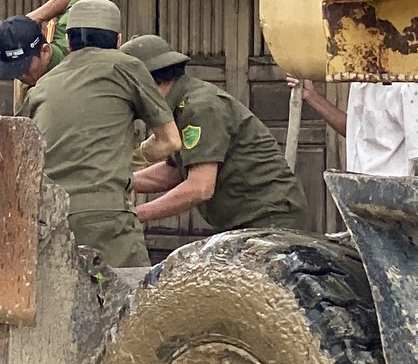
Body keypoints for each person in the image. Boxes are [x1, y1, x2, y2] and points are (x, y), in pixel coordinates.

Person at [23, 0, 179, 269]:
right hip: (107, 219)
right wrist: (130, 158)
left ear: (69, 44)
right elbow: (170, 141)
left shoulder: (44, 83)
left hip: (48, 220)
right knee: (130, 303)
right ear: (118, 41)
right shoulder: (126, 66)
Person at [125, 35, 311, 245]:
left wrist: (134, 215)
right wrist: (124, 182)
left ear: (144, 85)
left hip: (270, 220)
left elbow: (200, 186)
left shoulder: (201, 106)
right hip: (248, 222)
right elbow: (174, 172)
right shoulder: (178, 107)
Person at [299, 79, 418, 177]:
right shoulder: (359, 82)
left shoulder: (409, 86)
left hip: (396, 199)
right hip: (358, 192)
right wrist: (311, 96)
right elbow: (353, 130)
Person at [0, 0, 97, 100]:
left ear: (44, 51)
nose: (20, 76)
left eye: (24, 67)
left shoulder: (69, 41)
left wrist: (32, 18)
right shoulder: (29, 92)